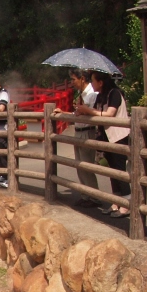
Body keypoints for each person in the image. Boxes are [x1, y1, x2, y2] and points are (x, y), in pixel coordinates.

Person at [88, 70, 130, 216]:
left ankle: (126, 204)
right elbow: (96, 112)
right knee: (112, 171)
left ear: (101, 82)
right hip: (107, 137)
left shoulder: (115, 93)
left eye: (93, 80)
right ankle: (116, 201)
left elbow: (110, 114)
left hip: (119, 136)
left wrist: (88, 111)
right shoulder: (101, 96)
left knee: (119, 171)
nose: (91, 83)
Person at [67, 68, 100, 205]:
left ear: (82, 78)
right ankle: (85, 194)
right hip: (78, 130)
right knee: (79, 165)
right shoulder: (81, 93)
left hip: (87, 130)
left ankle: (94, 196)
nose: (72, 82)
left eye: (74, 79)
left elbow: (90, 113)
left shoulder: (92, 94)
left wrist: (82, 108)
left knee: (87, 165)